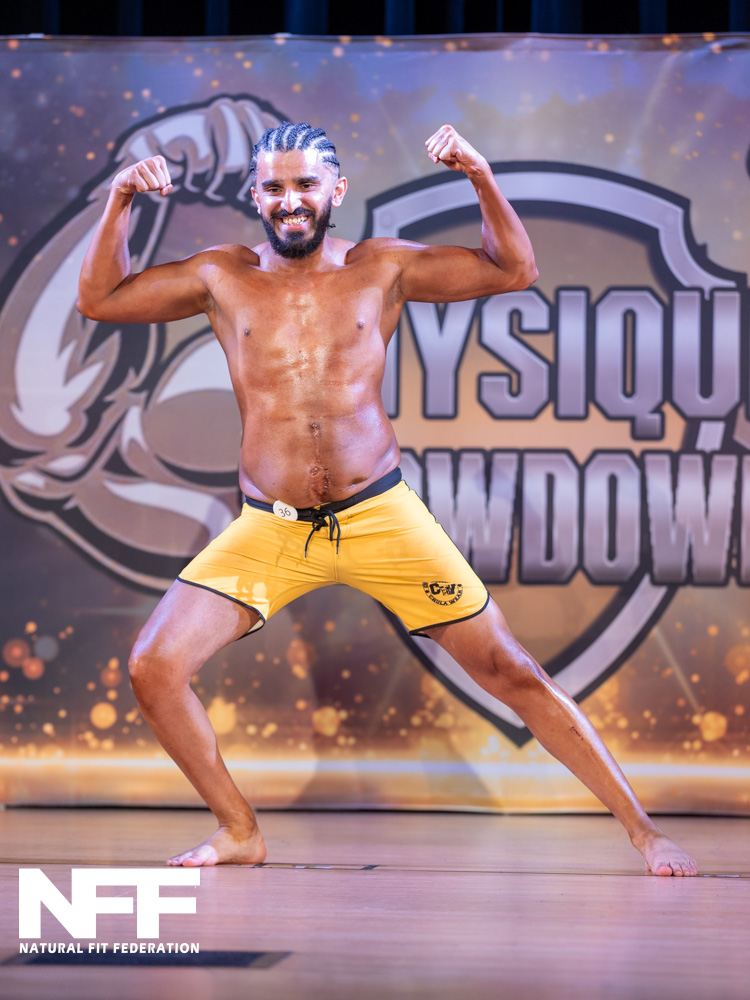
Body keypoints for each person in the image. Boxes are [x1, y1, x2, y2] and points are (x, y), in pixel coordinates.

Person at [77, 121, 697, 876]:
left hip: (380, 516)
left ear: (335, 190)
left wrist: (479, 174)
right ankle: (238, 831)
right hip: (272, 529)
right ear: (255, 196)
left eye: (306, 185)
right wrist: (120, 199)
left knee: (510, 670)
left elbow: (515, 269)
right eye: (274, 187)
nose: (290, 200)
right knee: (153, 666)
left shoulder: (382, 268)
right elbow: (100, 300)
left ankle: (644, 832)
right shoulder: (220, 275)